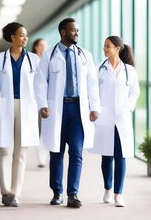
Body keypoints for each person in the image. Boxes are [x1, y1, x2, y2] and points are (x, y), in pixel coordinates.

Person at [34, 18, 100, 208]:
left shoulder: (85, 55)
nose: (76, 33)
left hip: (78, 109)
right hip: (57, 109)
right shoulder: (48, 55)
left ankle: (73, 194)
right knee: (56, 152)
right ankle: (57, 193)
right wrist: (42, 104)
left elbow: (92, 84)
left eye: (77, 30)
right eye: (73, 30)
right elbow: (40, 82)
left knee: (77, 153)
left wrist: (94, 107)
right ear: (63, 32)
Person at [0, 22, 39, 207]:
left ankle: (14, 192)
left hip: (26, 107)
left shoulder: (34, 60)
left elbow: (40, 84)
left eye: (26, 35)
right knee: (4, 149)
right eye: (21, 35)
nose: (25, 38)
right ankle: (4, 191)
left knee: (21, 152)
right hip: (5, 105)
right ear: (12, 37)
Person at [89, 36, 140, 207]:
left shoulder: (129, 71)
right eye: (104, 46)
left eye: (108, 46)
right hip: (104, 118)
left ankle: (118, 194)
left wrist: (128, 107)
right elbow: (93, 92)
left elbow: (135, 93)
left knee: (121, 156)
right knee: (106, 156)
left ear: (117, 48)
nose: (105, 49)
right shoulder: (99, 69)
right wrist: (95, 108)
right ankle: (107, 189)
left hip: (122, 119)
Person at [32, 38, 48, 168]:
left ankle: (44, 157)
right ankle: (41, 159)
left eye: (45, 45)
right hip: (34, 100)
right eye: (41, 45)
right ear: (36, 47)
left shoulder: (48, 60)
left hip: (47, 99)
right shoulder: (32, 60)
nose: (44, 47)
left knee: (46, 129)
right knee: (38, 129)